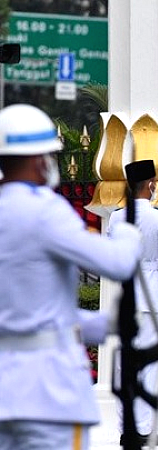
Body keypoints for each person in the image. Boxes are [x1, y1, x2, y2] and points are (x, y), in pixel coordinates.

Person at [0, 103, 142, 450]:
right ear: (40, 160)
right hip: (48, 395)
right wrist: (127, 230)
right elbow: (118, 263)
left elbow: (26, 308)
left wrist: (102, 326)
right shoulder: (45, 210)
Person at [109, 159, 158, 446]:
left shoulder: (116, 217)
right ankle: (142, 429)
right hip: (151, 298)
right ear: (150, 185)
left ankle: (127, 428)